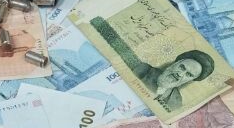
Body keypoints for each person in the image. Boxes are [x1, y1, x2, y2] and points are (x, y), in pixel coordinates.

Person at [87, 16, 215, 112]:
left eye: (189, 74)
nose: (180, 74)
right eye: (182, 67)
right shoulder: (143, 69)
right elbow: (122, 49)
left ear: (191, 80)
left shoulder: (176, 104)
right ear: (175, 63)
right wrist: (99, 23)